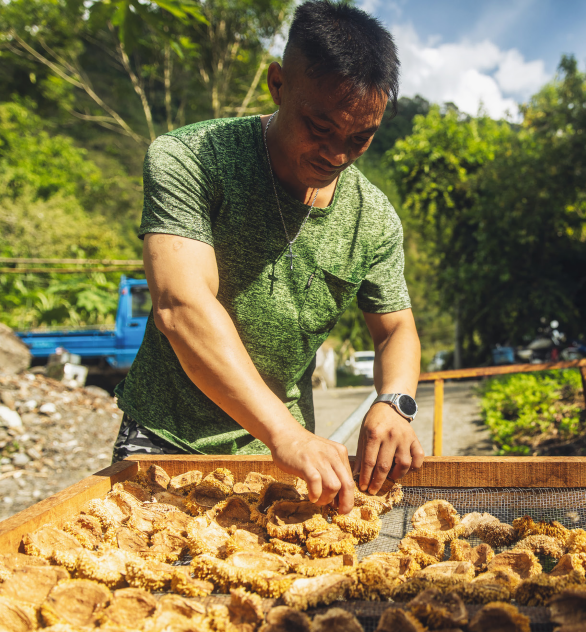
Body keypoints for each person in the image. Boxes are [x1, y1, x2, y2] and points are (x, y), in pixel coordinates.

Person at [112, 0, 424, 514]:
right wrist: (286, 432)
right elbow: (181, 304)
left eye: (359, 139)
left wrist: (395, 403)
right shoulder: (192, 158)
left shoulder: (375, 218)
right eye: (319, 128)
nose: (337, 155)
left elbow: (395, 329)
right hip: (165, 441)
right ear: (278, 85)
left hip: (286, 460)